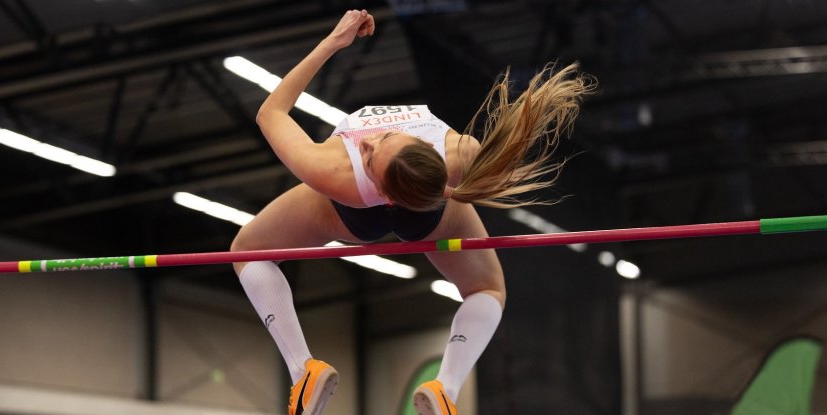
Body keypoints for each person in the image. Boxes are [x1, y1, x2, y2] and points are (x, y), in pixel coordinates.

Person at [231, 9, 593, 415]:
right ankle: (445, 388)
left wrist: (333, 42)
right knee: (487, 289)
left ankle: (304, 370)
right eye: (379, 144)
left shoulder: (333, 171)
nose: (367, 144)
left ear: (384, 192)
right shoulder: (457, 153)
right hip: (429, 210)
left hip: (353, 212)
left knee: (247, 250)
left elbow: (271, 113)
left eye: (373, 152)